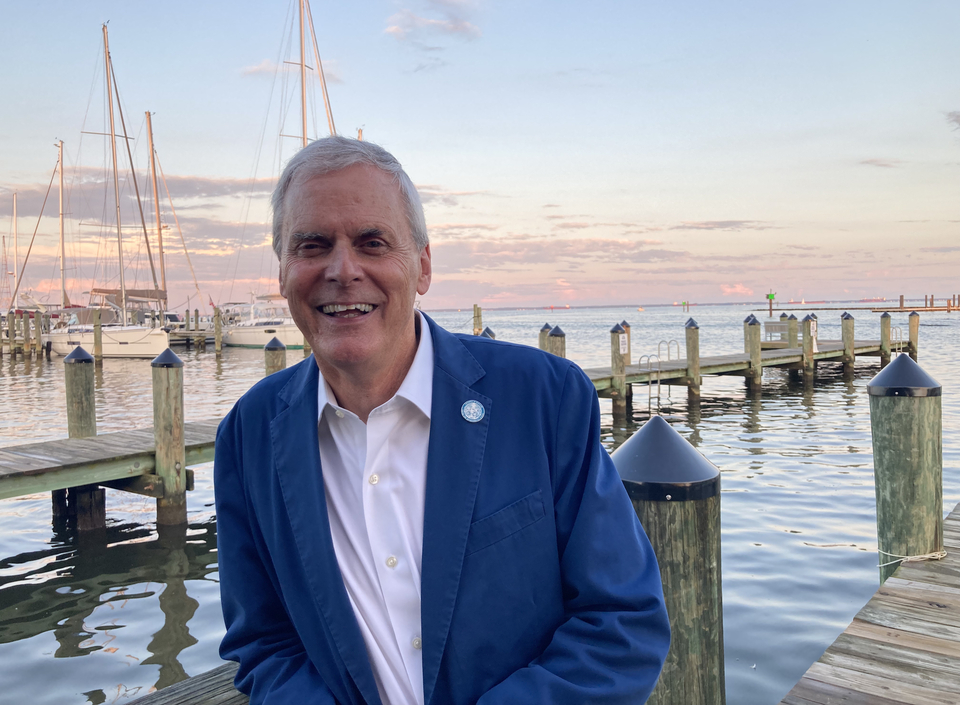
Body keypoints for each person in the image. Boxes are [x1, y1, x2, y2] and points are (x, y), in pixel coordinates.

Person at [214, 136, 670, 705]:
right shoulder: (248, 435)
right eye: (312, 245)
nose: (342, 269)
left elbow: (622, 623)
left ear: (422, 266)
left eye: (372, 242)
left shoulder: (543, 398)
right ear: (283, 271)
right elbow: (265, 643)